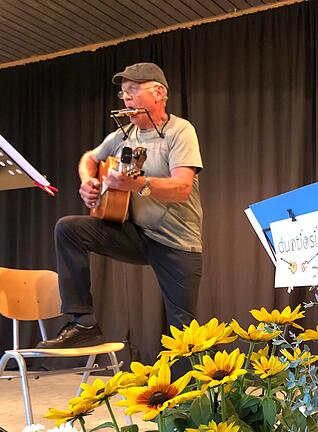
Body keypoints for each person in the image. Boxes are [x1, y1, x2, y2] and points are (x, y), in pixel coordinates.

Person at [37, 62, 203, 349]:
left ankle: (189, 392)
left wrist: (136, 185)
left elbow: (182, 187)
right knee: (69, 229)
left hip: (178, 242)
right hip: (137, 234)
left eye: (133, 91)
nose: (127, 98)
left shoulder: (180, 131)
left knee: (184, 330)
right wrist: (88, 181)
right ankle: (83, 322)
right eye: (124, 93)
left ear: (159, 93)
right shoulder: (122, 135)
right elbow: (89, 157)